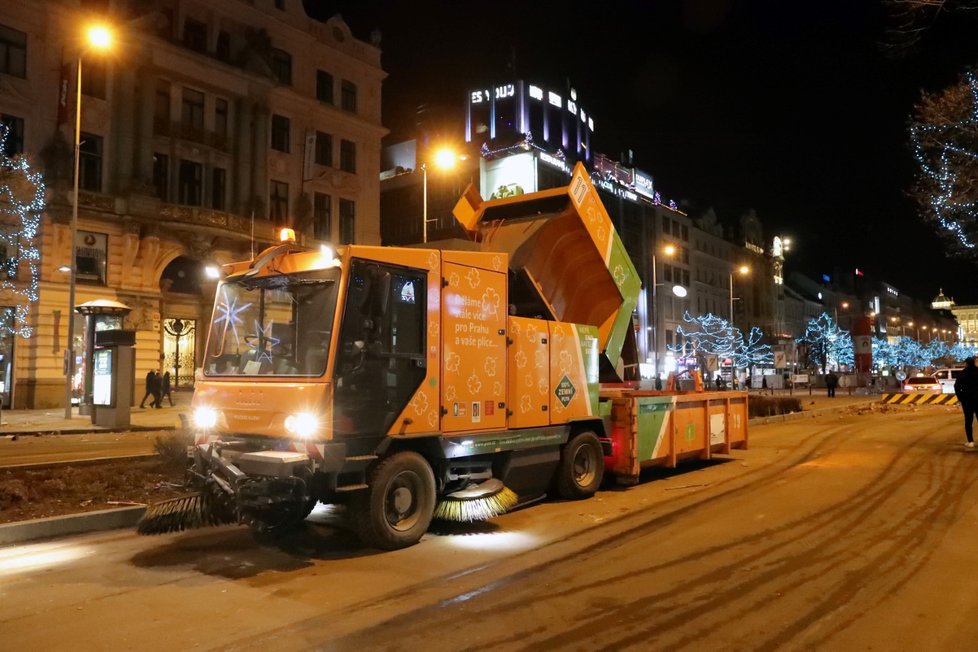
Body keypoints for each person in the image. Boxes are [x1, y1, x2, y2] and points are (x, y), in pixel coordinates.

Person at [954, 357, 978, 449]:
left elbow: (956, 386)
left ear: (967, 363)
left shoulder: (963, 373)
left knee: (968, 421)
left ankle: (970, 441)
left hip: (967, 400)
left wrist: (960, 397)